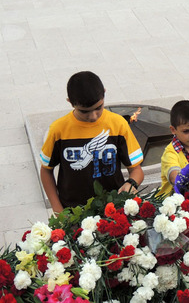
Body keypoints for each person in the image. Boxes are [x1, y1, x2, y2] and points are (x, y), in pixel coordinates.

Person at [40, 71, 144, 213]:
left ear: (104, 94)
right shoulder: (58, 130)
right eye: (84, 111)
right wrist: (58, 210)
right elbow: (46, 171)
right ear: (70, 102)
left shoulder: (118, 124)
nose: (93, 116)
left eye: (98, 108)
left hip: (113, 208)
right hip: (73, 211)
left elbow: (136, 170)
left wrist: (131, 183)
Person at [156, 100, 189, 197]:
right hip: (170, 203)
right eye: (186, 131)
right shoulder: (170, 153)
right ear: (173, 130)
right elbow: (174, 176)